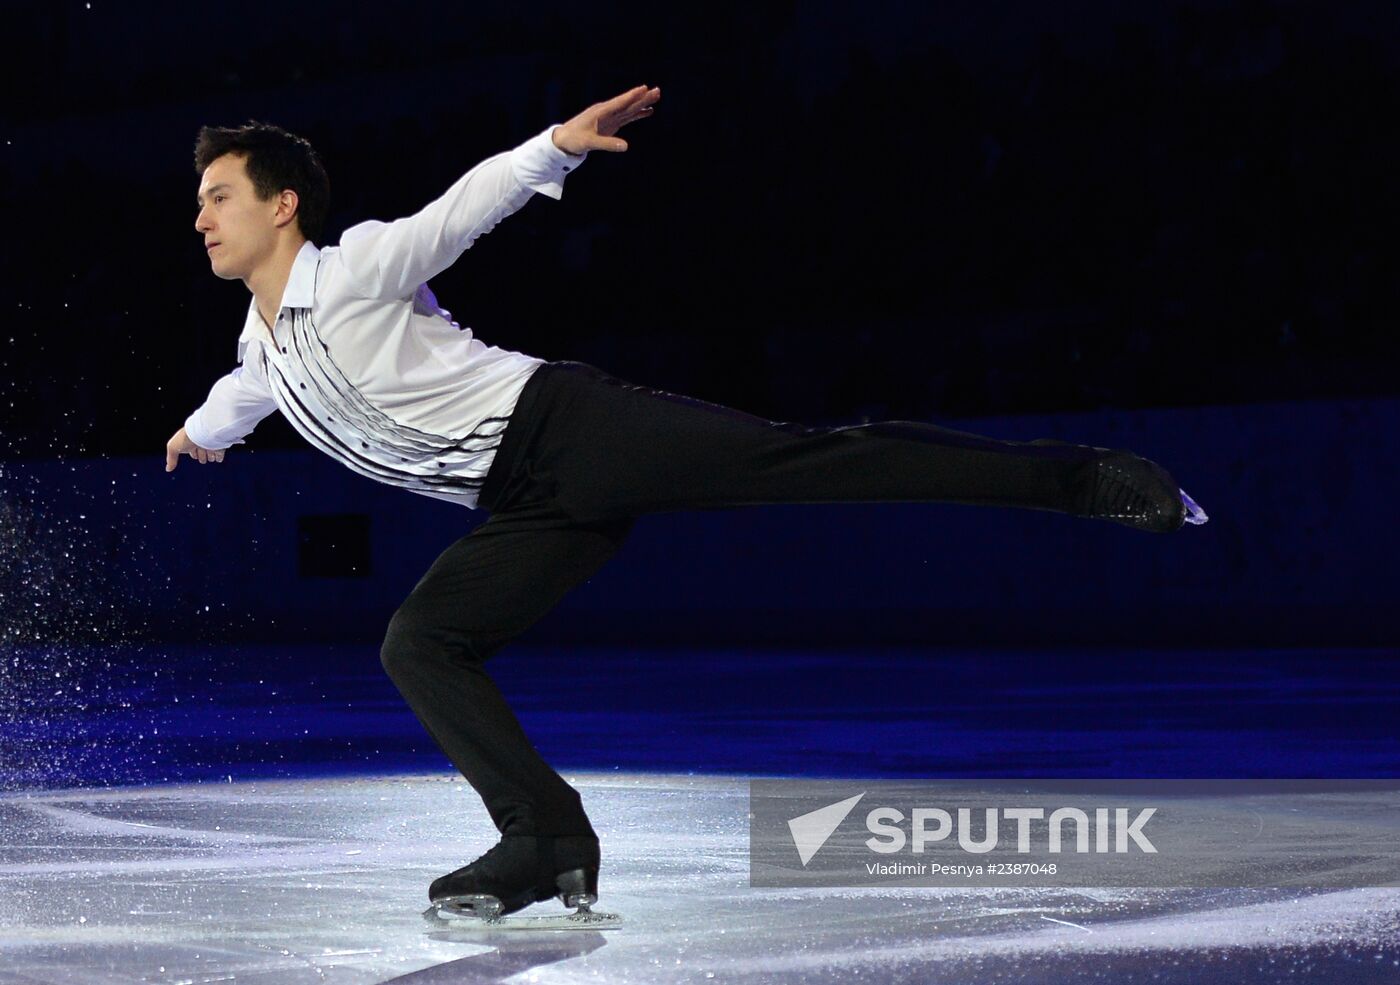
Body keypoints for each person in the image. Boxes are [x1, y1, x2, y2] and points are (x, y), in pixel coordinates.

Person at [166, 83, 1206, 922]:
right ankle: (547, 840)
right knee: (420, 641)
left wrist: (555, 147)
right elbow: (238, 398)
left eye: (218, 194)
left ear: (281, 203)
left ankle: (1078, 479)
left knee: (810, 461)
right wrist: (196, 435)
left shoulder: (353, 271)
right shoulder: (262, 345)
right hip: (526, 503)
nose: (202, 215)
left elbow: (460, 210)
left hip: (568, 428)